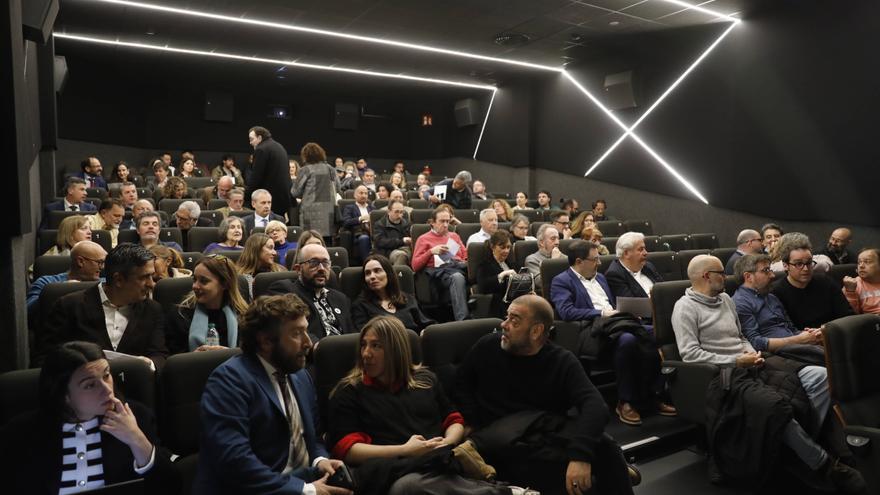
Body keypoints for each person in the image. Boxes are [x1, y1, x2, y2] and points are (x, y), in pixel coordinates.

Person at [672, 255, 865, 492]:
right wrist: (736, 360)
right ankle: (823, 464)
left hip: (754, 361)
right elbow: (690, 355)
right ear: (706, 276)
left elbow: (740, 337)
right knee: (775, 407)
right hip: (724, 374)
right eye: (721, 273)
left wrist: (752, 354)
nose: (726, 277)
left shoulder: (724, 299)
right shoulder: (684, 308)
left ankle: (795, 443)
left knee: (821, 376)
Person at [455, 295, 636, 494]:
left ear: (536, 331)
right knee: (578, 477)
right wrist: (471, 420)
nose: (504, 325)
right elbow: (461, 384)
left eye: (514, 321)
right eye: (506, 317)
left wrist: (580, 457)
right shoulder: (487, 346)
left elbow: (595, 405)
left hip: (542, 431)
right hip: (502, 439)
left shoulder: (560, 360)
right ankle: (608, 472)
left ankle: (609, 471)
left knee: (607, 447)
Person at [328, 316, 522, 495]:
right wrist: (405, 450)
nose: (366, 353)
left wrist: (447, 442)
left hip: (439, 460)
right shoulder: (350, 391)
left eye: (376, 346)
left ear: (396, 350)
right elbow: (348, 450)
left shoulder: (425, 379)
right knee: (408, 487)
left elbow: (454, 419)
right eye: (363, 345)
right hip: (394, 470)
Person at [194, 294, 351, 495]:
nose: (308, 343)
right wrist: (306, 490)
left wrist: (320, 460)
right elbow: (235, 461)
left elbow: (314, 437)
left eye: (306, 332)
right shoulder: (229, 381)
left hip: (301, 479)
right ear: (266, 341)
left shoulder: (300, 374)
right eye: (297, 334)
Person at [0, 341, 178, 494]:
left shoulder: (135, 417)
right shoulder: (20, 434)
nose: (107, 389)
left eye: (106, 375)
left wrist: (136, 439)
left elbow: (169, 487)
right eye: (90, 385)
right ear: (64, 395)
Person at [551, 240, 671, 426]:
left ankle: (653, 394)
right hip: (592, 329)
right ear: (579, 261)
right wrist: (600, 313)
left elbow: (613, 305)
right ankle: (625, 401)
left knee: (659, 332)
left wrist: (627, 314)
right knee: (628, 339)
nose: (599, 263)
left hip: (617, 323)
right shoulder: (561, 281)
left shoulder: (600, 278)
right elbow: (566, 311)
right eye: (594, 259)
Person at [40, 243, 169, 369]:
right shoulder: (69, 307)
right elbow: (46, 359)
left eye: (152, 276)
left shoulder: (153, 310)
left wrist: (149, 364)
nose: (151, 284)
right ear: (118, 280)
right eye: (144, 277)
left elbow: (159, 355)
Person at [733, 254, 824, 359]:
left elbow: (791, 329)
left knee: (835, 344)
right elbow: (755, 343)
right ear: (748, 277)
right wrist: (799, 339)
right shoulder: (740, 303)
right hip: (777, 357)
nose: (772, 275)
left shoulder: (771, 297)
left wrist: (811, 335)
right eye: (766, 270)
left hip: (797, 348)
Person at [266, 244, 357, 342]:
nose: (321, 268)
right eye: (314, 262)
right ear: (298, 269)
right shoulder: (285, 289)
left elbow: (352, 333)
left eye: (325, 263)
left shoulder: (341, 298)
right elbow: (290, 329)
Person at [165, 255, 249, 355]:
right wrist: (191, 358)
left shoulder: (244, 316)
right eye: (194, 279)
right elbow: (173, 360)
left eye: (203, 281)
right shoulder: (180, 315)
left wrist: (228, 355)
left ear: (225, 284)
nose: (195, 286)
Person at [772, 238, 854, 329]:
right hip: (799, 339)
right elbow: (780, 328)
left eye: (809, 263)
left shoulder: (826, 282)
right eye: (798, 264)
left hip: (832, 334)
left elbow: (847, 315)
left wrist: (827, 331)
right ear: (785, 266)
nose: (806, 269)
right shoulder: (775, 292)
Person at [411, 208, 470, 321]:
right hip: (439, 272)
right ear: (432, 222)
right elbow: (415, 265)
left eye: (447, 221)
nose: (446, 225)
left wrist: (463, 260)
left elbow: (465, 255)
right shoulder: (423, 239)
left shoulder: (454, 236)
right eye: (442, 221)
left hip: (458, 266)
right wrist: (431, 252)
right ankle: (463, 320)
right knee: (457, 277)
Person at [351, 255, 433, 332]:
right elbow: (364, 335)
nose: (372, 276)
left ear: (388, 274)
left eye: (377, 271)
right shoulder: (360, 305)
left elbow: (426, 324)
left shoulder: (407, 299)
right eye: (368, 273)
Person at [27, 241, 106, 313]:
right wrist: (61, 291)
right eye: (99, 262)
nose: (102, 267)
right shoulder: (46, 282)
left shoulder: (104, 284)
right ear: (80, 261)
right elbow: (28, 310)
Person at [292, 142, 339, 238]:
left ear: (306, 156)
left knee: (309, 240)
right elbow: (338, 188)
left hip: (309, 213)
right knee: (327, 244)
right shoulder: (331, 169)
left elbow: (295, 192)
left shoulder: (305, 170)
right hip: (329, 212)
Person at [246, 126, 292, 217]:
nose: (250, 143)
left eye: (251, 139)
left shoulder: (261, 149)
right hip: (283, 199)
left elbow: (256, 177)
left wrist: (246, 195)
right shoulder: (279, 146)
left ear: (259, 138)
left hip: (269, 199)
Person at [605, 232, 663, 299]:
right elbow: (632, 304)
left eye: (644, 249)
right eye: (640, 249)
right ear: (626, 253)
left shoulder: (648, 266)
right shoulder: (615, 274)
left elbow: (664, 289)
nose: (645, 253)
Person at [476, 230, 517, 318]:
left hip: (515, 302)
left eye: (508, 247)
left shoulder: (511, 263)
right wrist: (501, 275)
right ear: (492, 247)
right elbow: (483, 287)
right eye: (502, 247)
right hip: (499, 306)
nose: (506, 251)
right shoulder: (485, 265)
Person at [372, 198, 412, 266]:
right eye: (396, 212)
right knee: (401, 255)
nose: (400, 215)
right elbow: (380, 242)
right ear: (388, 211)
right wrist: (402, 241)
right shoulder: (380, 224)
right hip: (389, 251)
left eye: (402, 212)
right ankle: (398, 275)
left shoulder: (407, 224)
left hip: (406, 249)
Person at [340, 185, 374, 263]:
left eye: (366, 193)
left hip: (373, 232)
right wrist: (360, 218)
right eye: (361, 193)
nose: (364, 195)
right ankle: (368, 263)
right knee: (364, 238)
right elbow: (346, 222)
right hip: (359, 233)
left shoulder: (372, 208)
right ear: (355, 195)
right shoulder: (349, 208)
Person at [524, 224, 564, 288]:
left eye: (558, 238)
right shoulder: (532, 260)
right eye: (553, 239)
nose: (557, 242)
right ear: (541, 242)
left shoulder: (564, 257)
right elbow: (541, 283)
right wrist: (554, 262)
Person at [843, 247, 880, 315]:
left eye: (867, 262)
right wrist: (850, 292)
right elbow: (850, 317)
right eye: (859, 262)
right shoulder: (852, 285)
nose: (861, 266)